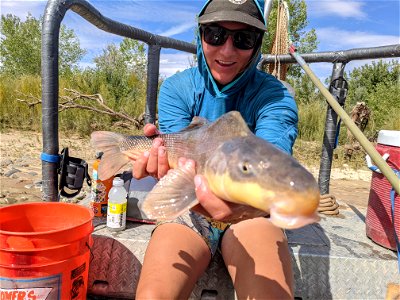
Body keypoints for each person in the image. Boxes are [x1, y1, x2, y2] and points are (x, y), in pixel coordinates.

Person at [134, 0, 297, 298]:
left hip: (253, 212)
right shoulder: (177, 88)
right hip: (189, 206)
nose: (226, 51)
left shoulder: (275, 96)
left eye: (244, 39)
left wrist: (248, 205)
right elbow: (178, 161)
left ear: (257, 44)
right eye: (215, 35)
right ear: (200, 36)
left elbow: (274, 172)